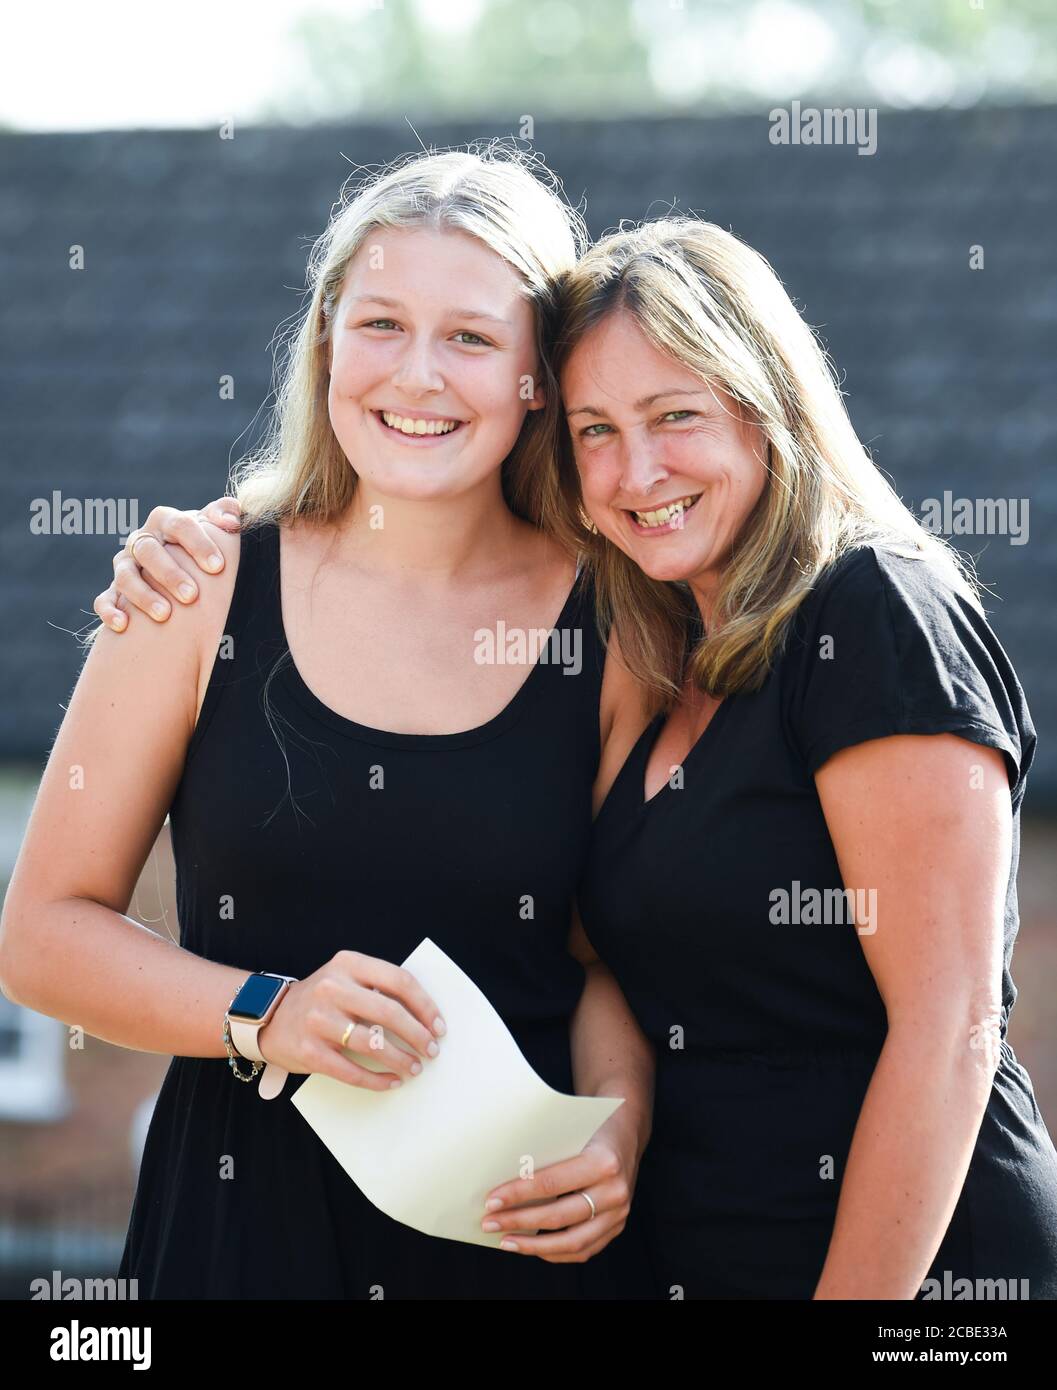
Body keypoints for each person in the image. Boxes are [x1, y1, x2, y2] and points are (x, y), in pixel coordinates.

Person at [0, 145, 657, 1300]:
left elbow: (606, 963)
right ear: (324, 341)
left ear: (535, 379)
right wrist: (270, 1010)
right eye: (380, 325)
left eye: (469, 338)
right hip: (236, 1232)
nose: (416, 376)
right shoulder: (193, 590)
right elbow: (43, 933)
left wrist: (619, 1133)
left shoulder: (615, 625)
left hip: (509, 1239)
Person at [547, 217, 1057, 1299]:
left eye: (672, 415)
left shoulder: (875, 613)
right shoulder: (658, 655)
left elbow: (947, 1029)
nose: (634, 470)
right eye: (594, 431)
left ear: (767, 409)